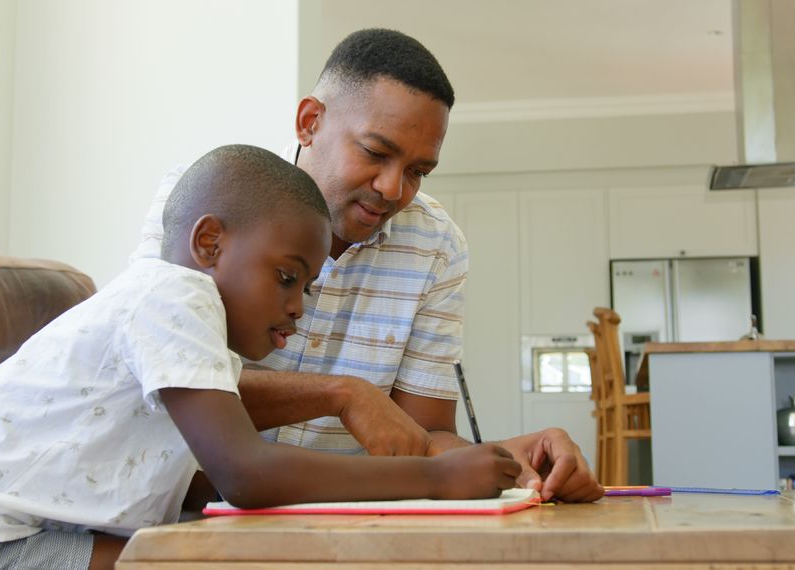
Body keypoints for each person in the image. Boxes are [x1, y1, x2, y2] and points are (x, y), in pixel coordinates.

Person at [0, 145, 522, 570]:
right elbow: (247, 475)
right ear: (209, 243)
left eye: (309, 288)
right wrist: (436, 482)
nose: (299, 306)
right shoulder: (172, 296)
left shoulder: (191, 333)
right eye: (288, 277)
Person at [134, 29, 604, 504]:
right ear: (309, 122)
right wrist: (343, 393)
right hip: (186, 507)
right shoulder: (204, 196)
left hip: (348, 518)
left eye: (418, 171)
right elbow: (161, 373)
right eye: (376, 153)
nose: (393, 188)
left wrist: (504, 462)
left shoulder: (437, 245)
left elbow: (424, 435)